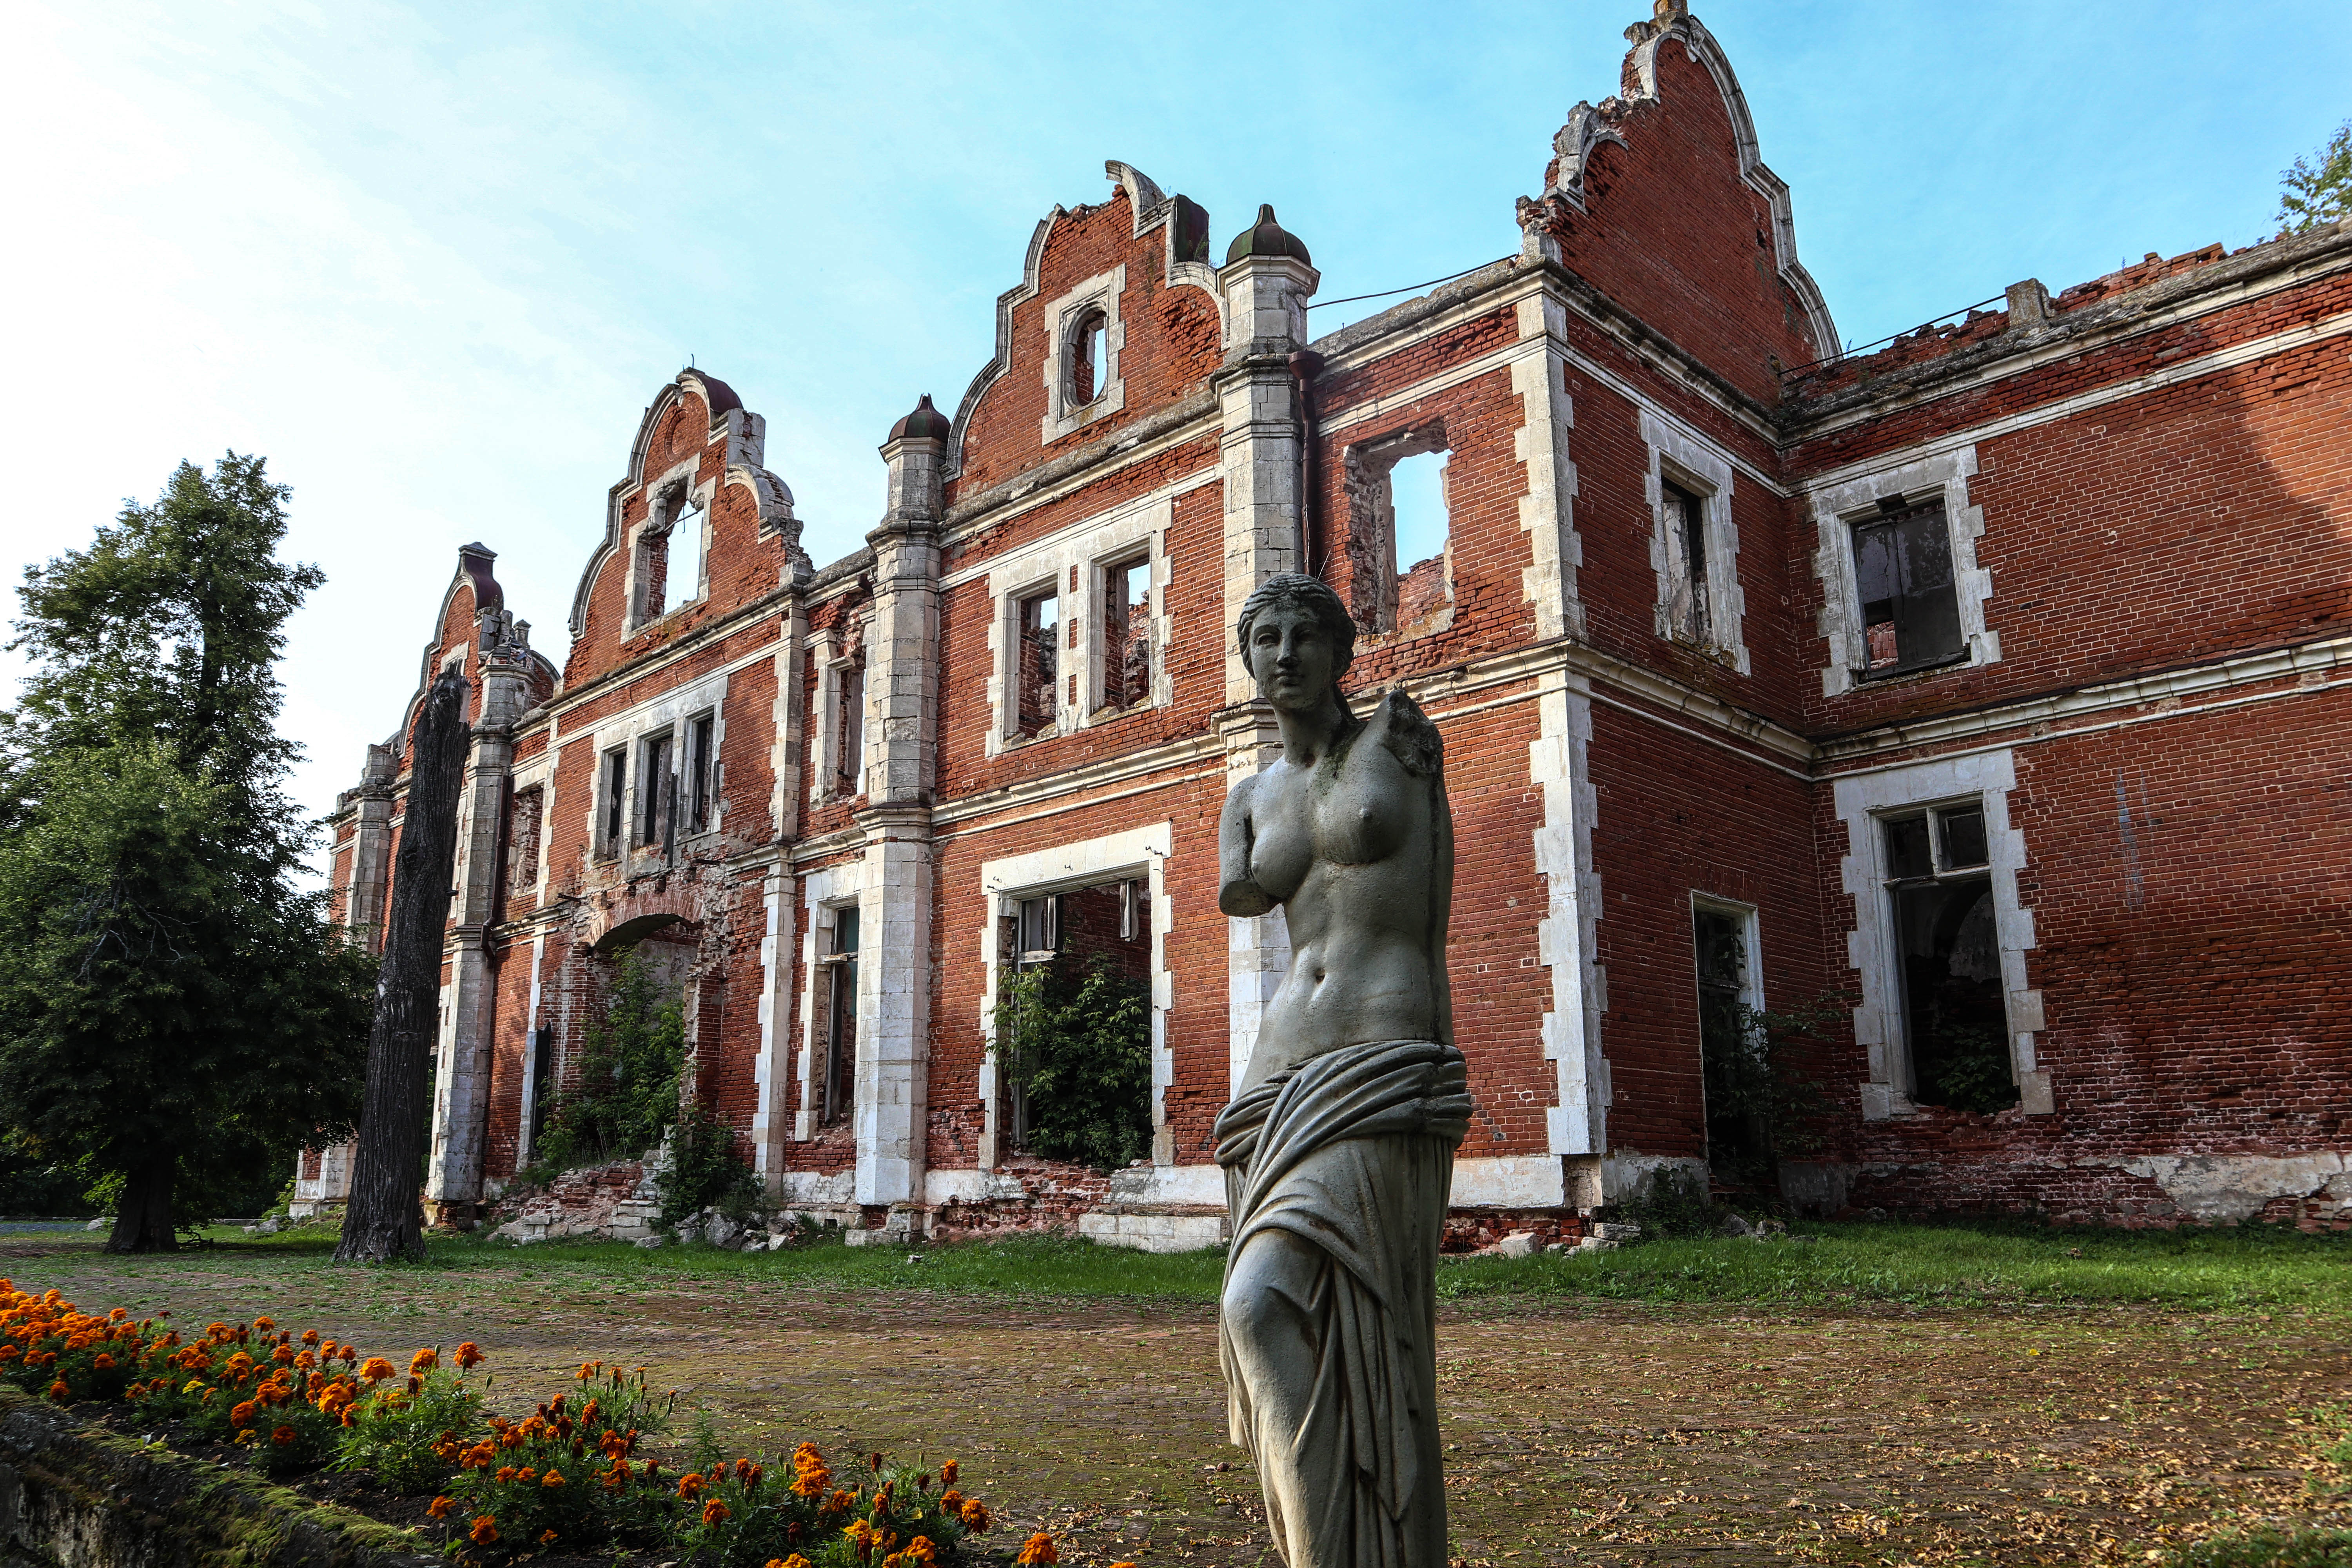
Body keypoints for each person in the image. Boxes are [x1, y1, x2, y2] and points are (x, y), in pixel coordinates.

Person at [1215, 572, 1470, 1568]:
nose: (1284, 653)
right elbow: (1257, 900)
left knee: (1305, 1310)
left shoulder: (1398, 743)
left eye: (1303, 634)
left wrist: (1441, 1060)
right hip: (1277, 1072)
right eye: (1264, 638)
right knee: (1257, 1305)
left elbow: (1438, 905)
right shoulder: (1248, 797)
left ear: (1340, 650)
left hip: (1380, 1051)